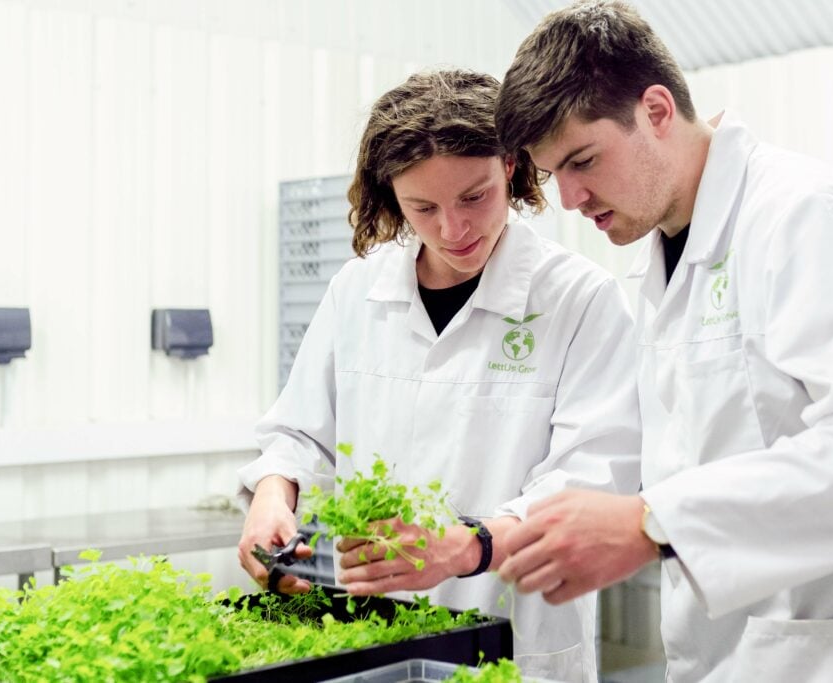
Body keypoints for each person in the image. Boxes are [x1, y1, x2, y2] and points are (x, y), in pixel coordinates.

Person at [492, 2, 833, 681]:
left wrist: (650, 523)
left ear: (657, 110)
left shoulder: (805, 216)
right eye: (554, 175)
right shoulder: (659, 263)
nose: (570, 199)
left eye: (582, 160)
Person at [236, 68, 641, 682]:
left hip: (516, 638)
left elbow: (592, 479)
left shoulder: (580, 299)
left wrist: (470, 545)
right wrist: (273, 494)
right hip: (370, 635)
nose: (454, 230)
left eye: (474, 197)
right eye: (422, 207)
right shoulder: (357, 290)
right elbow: (299, 433)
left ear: (511, 165)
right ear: (390, 195)